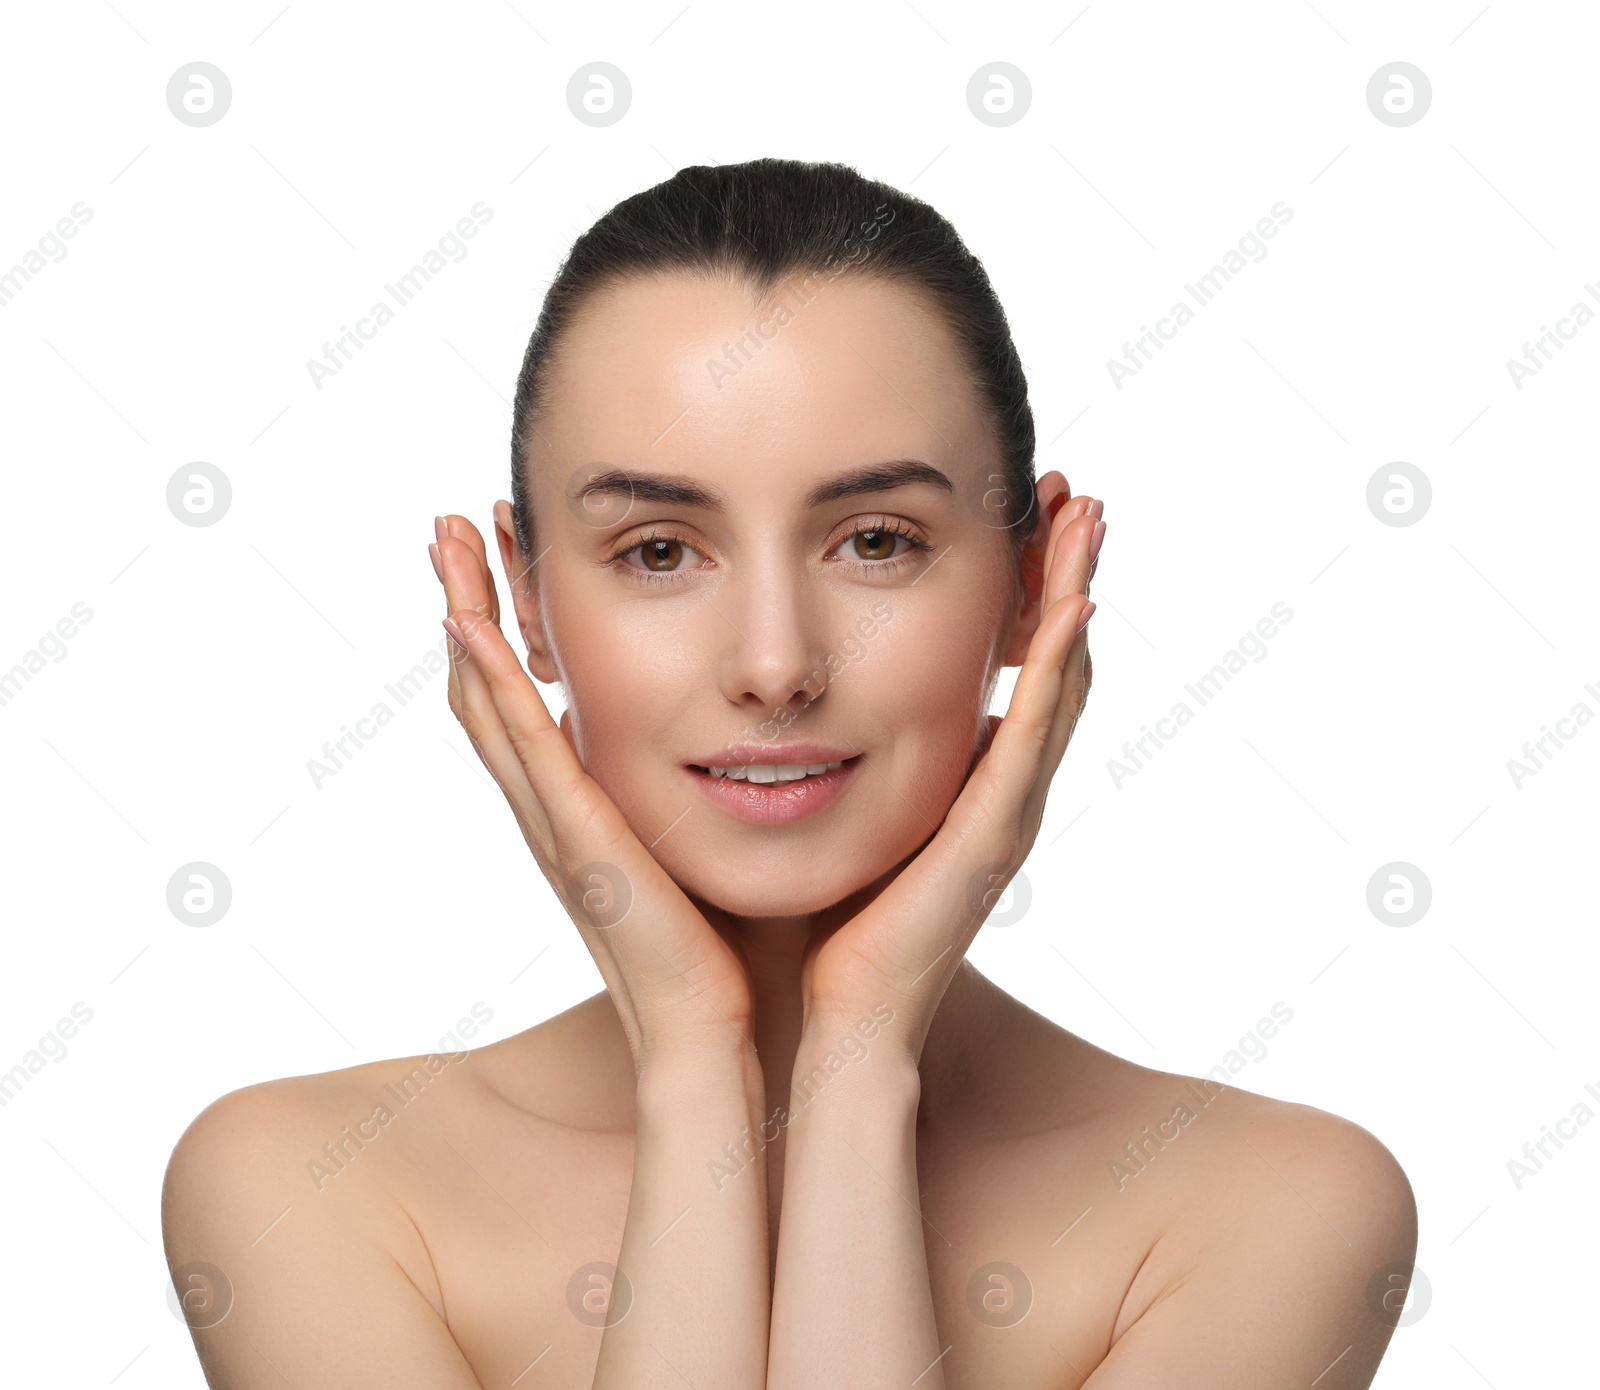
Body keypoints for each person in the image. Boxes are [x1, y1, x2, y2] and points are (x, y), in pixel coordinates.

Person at [162, 158, 1417, 1389]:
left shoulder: (1272, 1213)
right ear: (528, 603)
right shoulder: (305, 1188)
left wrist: (859, 1060)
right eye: (658, 550)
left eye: (876, 541)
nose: (774, 664)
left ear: (1030, 587)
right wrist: (694, 1062)